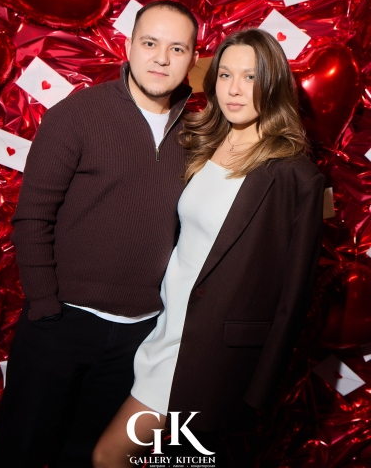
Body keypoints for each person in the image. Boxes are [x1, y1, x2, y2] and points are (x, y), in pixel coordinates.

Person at [92, 28, 325, 468]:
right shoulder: (200, 144)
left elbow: (293, 298)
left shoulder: (295, 177)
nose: (234, 89)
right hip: (160, 329)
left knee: (108, 456)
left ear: (273, 84)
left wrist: (259, 390)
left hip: (208, 352)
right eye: (225, 75)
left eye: (250, 77)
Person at [0, 1, 199, 468]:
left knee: (89, 459)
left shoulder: (199, 133)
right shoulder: (77, 114)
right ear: (129, 46)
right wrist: (46, 308)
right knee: (21, 453)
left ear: (192, 58)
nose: (161, 58)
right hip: (62, 322)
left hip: (140, 335)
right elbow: (32, 217)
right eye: (150, 43)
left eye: (177, 48)